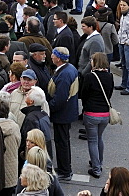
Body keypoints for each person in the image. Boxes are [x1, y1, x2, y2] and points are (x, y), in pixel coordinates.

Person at [79, 52, 113, 179]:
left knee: (92, 140)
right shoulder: (110, 76)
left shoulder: (90, 77)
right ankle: (99, 161)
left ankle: (96, 169)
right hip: (105, 113)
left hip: (91, 113)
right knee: (99, 138)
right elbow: (109, 93)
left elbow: (84, 94)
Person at [48, 47, 78, 182]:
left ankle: (65, 171)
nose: (51, 57)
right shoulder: (69, 68)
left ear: (59, 58)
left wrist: (48, 108)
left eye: (53, 55)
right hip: (67, 112)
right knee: (63, 141)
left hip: (62, 114)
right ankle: (64, 168)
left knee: (61, 142)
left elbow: (60, 99)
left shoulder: (64, 74)